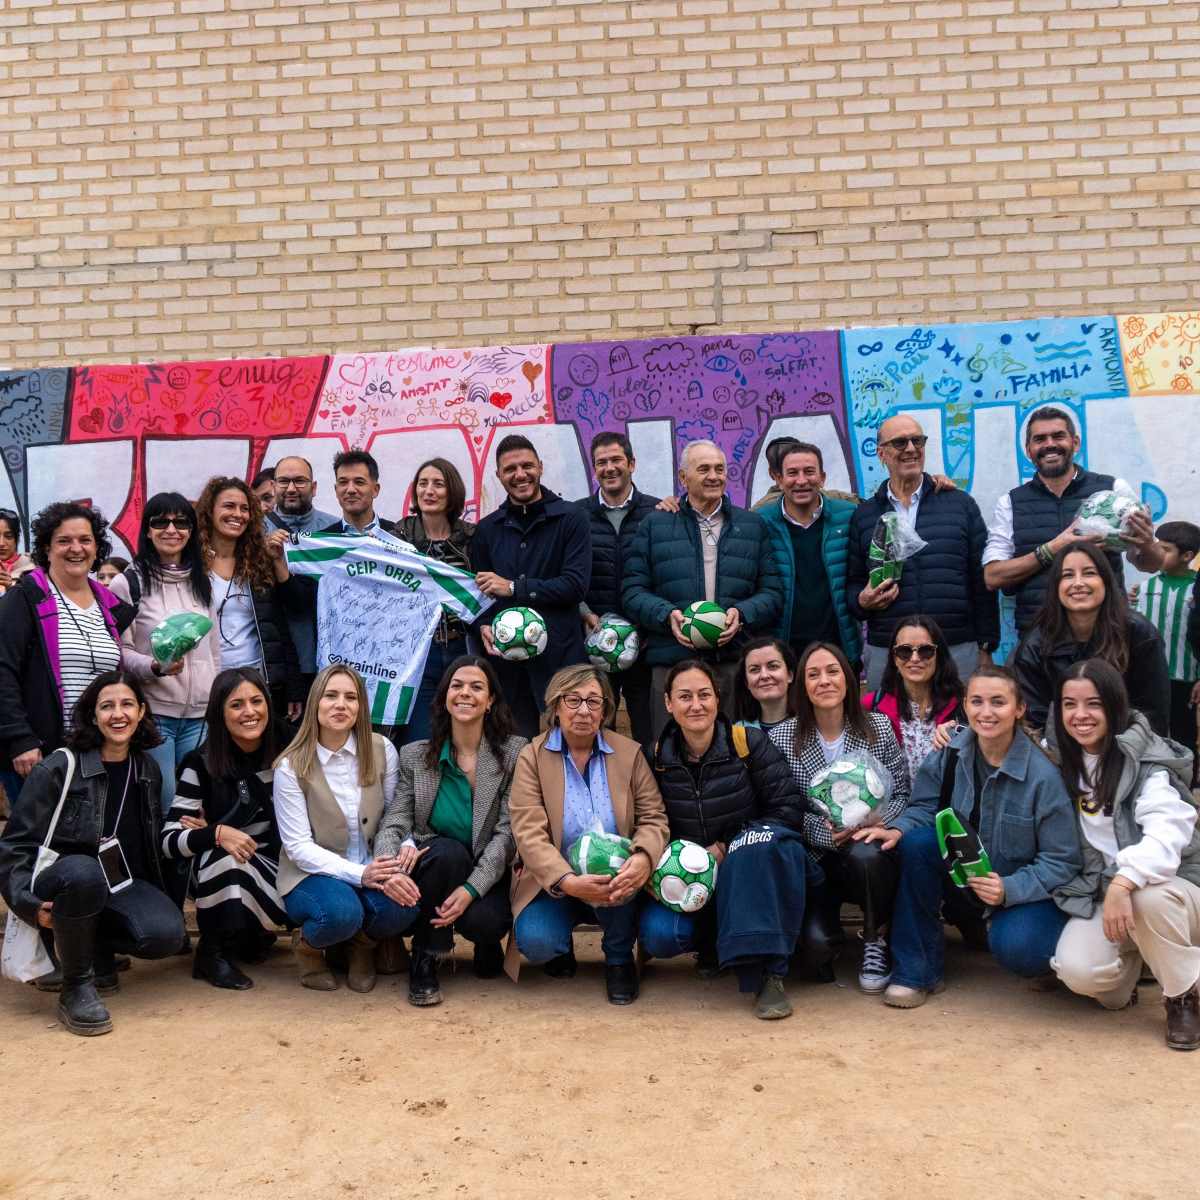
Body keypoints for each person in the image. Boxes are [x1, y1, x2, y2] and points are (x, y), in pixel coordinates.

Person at [859, 666, 1082, 1008]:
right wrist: (897, 827)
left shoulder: (1043, 777)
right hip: (963, 877)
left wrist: (1010, 888)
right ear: (965, 705)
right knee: (917, 845)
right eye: (976, 701)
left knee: (1022, 949)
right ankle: (916, 973)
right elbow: (926, 806)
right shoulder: (950, 751)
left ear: (1019, 708)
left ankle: (1033, 948)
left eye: (998, 702)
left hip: (1018, 889)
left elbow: (1062, 860)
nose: (986, 712)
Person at [0, 671, 186, 1037]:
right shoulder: (58, 767)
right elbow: (14, 846)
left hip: (116, 882)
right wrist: (27, 903)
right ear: (91, 715)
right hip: (62, 883)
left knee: (165, 934)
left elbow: (146, 842)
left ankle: (94, 947)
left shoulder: (146, 768)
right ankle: (75, 987)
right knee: (84, 873)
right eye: (107, 706)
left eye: (127, 704)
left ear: (142, 711)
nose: (118, 714)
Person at [639, 659, 812, 1018]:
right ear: (668, 703)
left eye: (704, 695)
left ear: (718, 699)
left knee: (755, 849)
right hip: (692, 876)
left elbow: (788, 809)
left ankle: (768, 975)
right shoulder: (655, 757)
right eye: (684, 697)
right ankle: (712, 945)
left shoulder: (747, 743)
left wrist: (725, 846)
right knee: (660, 936)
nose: (696, 705)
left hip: (751, 870)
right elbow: (646, 821)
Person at [1047, 659, 1200, 1048]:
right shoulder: (1060, 758)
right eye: (1069, 704)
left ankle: (1182, 995)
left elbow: (1169, 833)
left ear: (1114, 705)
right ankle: (1143, 963)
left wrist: (1123, 881)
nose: (1080, 715)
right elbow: (999, 734)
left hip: (1175, 892)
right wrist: (951, 734)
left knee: (1145, 896)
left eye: (1093, 704)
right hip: (1104, 895)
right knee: (1080, 973)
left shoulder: (1147, 761)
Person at [506, 665, 669, 1004]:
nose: (584, 710)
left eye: (594, 701)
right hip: (555, 885)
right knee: (537, 941)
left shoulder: (630, 753)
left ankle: (619, 958)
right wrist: (566, 881)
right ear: (555, 707)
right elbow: (528, 831)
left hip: (616, 880)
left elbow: (654, 818)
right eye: (573, 700)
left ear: (606, 710)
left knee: (620, 879)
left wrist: (642, 857)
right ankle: (559, 951)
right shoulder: (532, 757)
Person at [375, 655, 526, 1005]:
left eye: (476, 687)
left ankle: (486, 944)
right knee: (447, 853)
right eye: (456, 686)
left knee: (486, 923)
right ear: (445, 696)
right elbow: (395, 821)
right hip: (438, 867)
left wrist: (472, 890)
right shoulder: (415, 755)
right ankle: (426, 955)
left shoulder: (515, 753)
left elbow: (508, 835)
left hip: (488, 871)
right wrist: (386, 865)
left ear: (490, 701)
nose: (465, 693)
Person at [768, 643, 911, 994]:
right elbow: (781, 810)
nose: (824, 681)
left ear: (848, 679)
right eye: (813, 674)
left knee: (868, 854)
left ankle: (876, 937)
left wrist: (880, 821)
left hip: (867, 852)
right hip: (816, 858)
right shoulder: (782, 738)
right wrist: (823, 833)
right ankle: (823, 937)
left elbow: (904, 792)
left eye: (832, 671)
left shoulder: (876, 726)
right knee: (815, 951)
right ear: (801, 685)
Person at [623, 439, 784, 740]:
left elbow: (773, 592)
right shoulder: (655, 525)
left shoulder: (751, 525)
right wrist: (665, 615)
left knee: (737, 752)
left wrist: (743, 614)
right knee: (669, 754)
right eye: (704, 469)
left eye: (720, 469)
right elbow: (632, 592)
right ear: (683, 478)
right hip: (672, 662)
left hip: (733, 663)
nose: (714, 476)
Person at [273, 665, 419, 992]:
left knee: (404, 906)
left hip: (373, 862)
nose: (341, 704)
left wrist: (404, 844)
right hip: (311, 874)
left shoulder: (382, 749)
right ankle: (310, 948)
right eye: (331, 696)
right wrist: (360, 875)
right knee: (339, 913)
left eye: (351, 697)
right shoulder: (290, 766)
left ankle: (360, 947)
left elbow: (395, 815)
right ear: (315, 704)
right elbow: (298, 847)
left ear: (361, 707)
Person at [847, 414, 998, 689]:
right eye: (900, 442)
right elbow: (853, 581)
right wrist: (862, 602)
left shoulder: (959, 505)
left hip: (955, 646)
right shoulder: (865, 515)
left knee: (959, 729)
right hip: (889, 648)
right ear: (881, 453)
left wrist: (986, 646)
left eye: (918, 440)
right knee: (887, 729)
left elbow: (981, 579)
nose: (911, 449)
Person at [983, 406, 1163, 635]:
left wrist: (1147, 544)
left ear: (1075, 443)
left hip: (1106, 633)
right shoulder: (1011, 503)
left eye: (1058, 436)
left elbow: (1151, 564)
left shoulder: (1113, 491)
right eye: (1040, 439)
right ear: (1028, 450)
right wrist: (1052, 548)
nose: (1049, 444)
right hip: (1040, 637)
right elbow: (993, 576)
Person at [163, 667, 291, 991]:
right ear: (220, 713)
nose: (249, 712)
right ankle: (212, 953)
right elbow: (169, 841)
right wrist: (216, 834)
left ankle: (248, 931)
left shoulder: (291, 749)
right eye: (236, 705)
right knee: (227, 857)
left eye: (256, 701)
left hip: (280, 866)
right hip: (222, 870)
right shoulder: (201, 764)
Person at [0, 502, 134, 805]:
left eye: (85, 540)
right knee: (43, 847)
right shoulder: (25, 599)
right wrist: (19, 738)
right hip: (41, 754)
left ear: (96, 547)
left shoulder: (110, 608)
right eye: (64, 540)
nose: (76, 548)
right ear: (47, 548)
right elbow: (3, 670)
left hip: (100, 749)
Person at [471, 435, 592, 739]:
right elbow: (479, 595)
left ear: (540, 467)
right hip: (507, 668)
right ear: (499, 475)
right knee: (512, 753)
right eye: (510, 469)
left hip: (562, 659)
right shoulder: (487, 530)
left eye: (527, 465)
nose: (520, 474)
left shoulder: (571, 519)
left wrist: (513, 588)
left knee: (572, 747)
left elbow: (575, 586)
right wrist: (483, 625)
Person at [107, 493, 220, 814]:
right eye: (161, 522)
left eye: (181, 522)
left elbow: (214, 652)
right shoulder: (127, 583)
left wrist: (214, 700)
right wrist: (155, 667)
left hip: (201, 718)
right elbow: (121, 653)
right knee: (165, 803)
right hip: (156, 716)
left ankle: (191, 866)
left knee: (196, 807)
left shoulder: (204, 583)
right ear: (147, 530)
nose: (172, 529)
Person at [1010, 542, 1170, 736]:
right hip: (1059, 750)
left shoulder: (1140, 634)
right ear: (1056, 586)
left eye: (1089, 573)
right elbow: (1036, 720)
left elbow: (1152, 713)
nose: (1078, 583)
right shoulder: (1036, 644)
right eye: (1068, 575)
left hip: (1127, 748)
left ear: (1106, 581)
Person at [577, 432, 660, 756]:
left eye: (616, 460)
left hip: (646, 643)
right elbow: (567, 573)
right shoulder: (577, 516)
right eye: (601, 462)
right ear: (594, 469)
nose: (609, 468)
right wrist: (583, 612)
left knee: (648, 731)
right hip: (595, 642)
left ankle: (649, 798)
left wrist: (651, 623)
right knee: (597, 730)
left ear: (632, 464)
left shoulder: (657, 512)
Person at [194, 476, 303, 721]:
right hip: (206, 685)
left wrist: (293, 687)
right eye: (229, 506)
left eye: (245, 508)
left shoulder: (259, 562)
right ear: (209, 512)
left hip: (257, 683)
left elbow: (284, 622)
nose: (238, 514)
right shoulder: (191, 565)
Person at [395, 457, 476, 745]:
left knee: (465, 738)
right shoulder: (398, 536)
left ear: (451, 490)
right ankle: (422, 791)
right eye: (423, 483)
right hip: (418, 654)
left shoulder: (472, 537)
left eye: (438, 484)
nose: (429, 491)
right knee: (420, 740)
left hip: (463, 648)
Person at [759, 441, 861, 666]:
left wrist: (934, 482)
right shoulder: (761, 522)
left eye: (809, 472)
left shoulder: (850, 515)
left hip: (840, 648)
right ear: (778, 479)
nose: (801, 481)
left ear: (822, 477)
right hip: (783, 653)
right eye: (792, 473)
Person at [262, 455, 338, 691]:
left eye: (300, 481)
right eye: (284, 481)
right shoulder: (256, 531)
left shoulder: (334, 531)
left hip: (324, 658)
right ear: (273, 487)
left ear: (314, 488)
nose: (292, 488)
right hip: (273, 658)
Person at [862, 615, 965, 784]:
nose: (915, 659)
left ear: (938, 655)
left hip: (947, 807)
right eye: (905, 651)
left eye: (925, 650)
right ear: (894, 658)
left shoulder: (962, 704)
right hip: (893, 808)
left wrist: (962, 730)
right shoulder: (871, 705)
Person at [1132, 520, 1200, 762]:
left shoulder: (1196, 588)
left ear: (1187, 555)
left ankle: (1187, 783)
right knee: (1149, 730)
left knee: (1184, 733)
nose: (1158, 553)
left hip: (1185, 676)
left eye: (1166, 549)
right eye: (1157, 546)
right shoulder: (1147, 586)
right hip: (1149, 674)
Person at [322, 449, 401, 541]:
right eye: (343, 482)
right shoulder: (322, 542)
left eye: (359, 482)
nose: (350, 490)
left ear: (375, 490)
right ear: (336, 490)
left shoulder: (399, 536)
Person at [731, 636, 797, 730]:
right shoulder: (737, 733)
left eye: (773, 666)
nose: (764, 675)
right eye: (754, 669)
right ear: (746, 682)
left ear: (790, 675)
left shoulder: (811, 725)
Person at [0, 508, 34, 593]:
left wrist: (10, 590)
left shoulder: (32, 571)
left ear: (17, 538)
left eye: (8, 536)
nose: (1, 543)